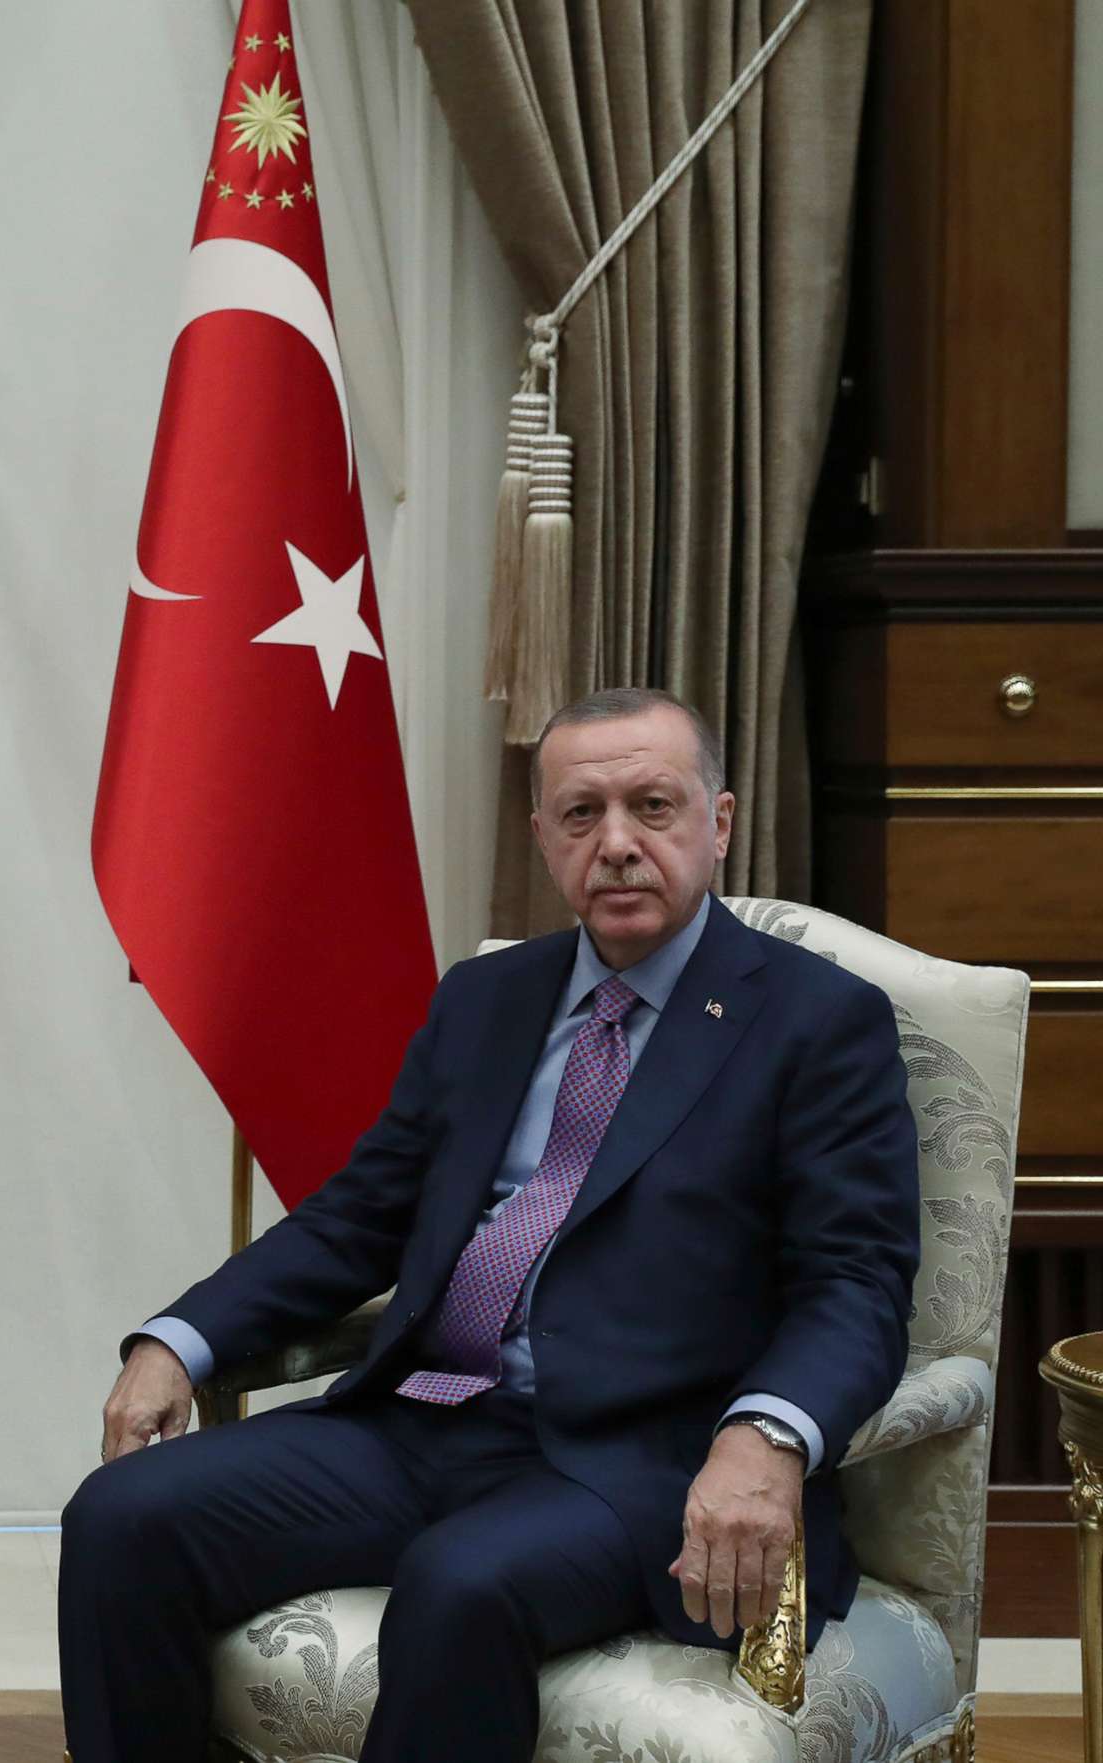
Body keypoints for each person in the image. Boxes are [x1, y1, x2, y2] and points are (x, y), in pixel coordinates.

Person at [59, 687, 920, 1762]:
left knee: (461, 1579)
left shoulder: (816, 1021)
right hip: (425, 1421)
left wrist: (767, 1432)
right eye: (580, 813)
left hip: (647, 1458)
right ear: (542, 835)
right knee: (121, 1516)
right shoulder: (485, 999)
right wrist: (173, 1342)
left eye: (654, 805)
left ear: (721, 821)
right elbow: (360, 1214)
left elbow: (857, 1280)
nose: (616, 843)